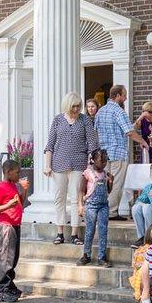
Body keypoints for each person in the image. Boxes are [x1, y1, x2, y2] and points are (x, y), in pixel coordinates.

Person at [45, 92, 98, 245]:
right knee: (59, 198)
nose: (76, 109)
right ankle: (60, 233)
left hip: (78, 164)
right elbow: (50, 145)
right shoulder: (57, 120)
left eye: (78, 106)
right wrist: (47, 165)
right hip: (58, 164)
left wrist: (90, 165)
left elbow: (93, 144)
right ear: (67, 106)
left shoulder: (85, 120)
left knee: (76, 199)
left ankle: (75, 234)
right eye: (73, 106)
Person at [94, 85, 149, 221]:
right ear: (117, 95)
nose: (125, 98)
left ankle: (102, 211)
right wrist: (143, 141)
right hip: (117, 153)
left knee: (103, 184)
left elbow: (96, 132)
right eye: (124, 95)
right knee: (116, 184)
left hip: (103, 154)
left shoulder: (100, 111)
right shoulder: (118, 111)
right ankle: (111, 212)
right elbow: (129, 131)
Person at [0, 159, 29, 303]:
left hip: (15, 224)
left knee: (13, 257)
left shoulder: (14, 186)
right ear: (8, 172)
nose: (19, 175)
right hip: (6, 226)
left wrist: (24, 190)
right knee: (5, 258)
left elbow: (21, 204)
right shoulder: (1, 187)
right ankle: (2, 290)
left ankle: (9, 285)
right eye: (17, 172)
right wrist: (8, 205)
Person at [76, 149, 113, 268]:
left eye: (105, 161)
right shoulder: (87, 172)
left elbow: (108, 191)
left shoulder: (106, 174)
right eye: (100, 161)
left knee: (103, 230)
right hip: (91, 205)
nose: (103, 164)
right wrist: (81, 205)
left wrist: (111, 181)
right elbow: (81, 190)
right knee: (89, 230)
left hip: (103, 206)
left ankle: (102, 257)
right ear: (93, 160)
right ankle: (86, 255)